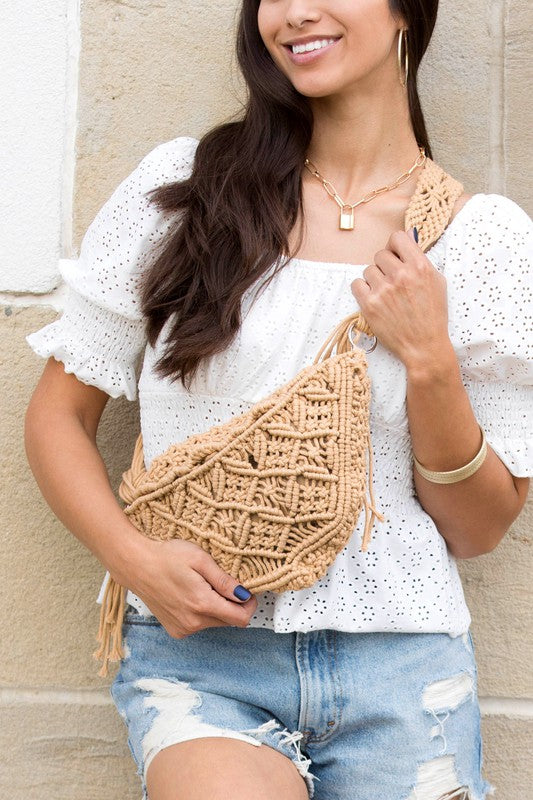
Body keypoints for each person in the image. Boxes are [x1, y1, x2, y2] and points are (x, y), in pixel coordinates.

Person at [24, 1, 532, 799]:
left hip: (403, 666)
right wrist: (134, 559)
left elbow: (477, 528)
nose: (294, 13)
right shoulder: (185, 191)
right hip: (202, 660)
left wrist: (429, 360)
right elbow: (58, 415)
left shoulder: (480, 240)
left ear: (405, 10)